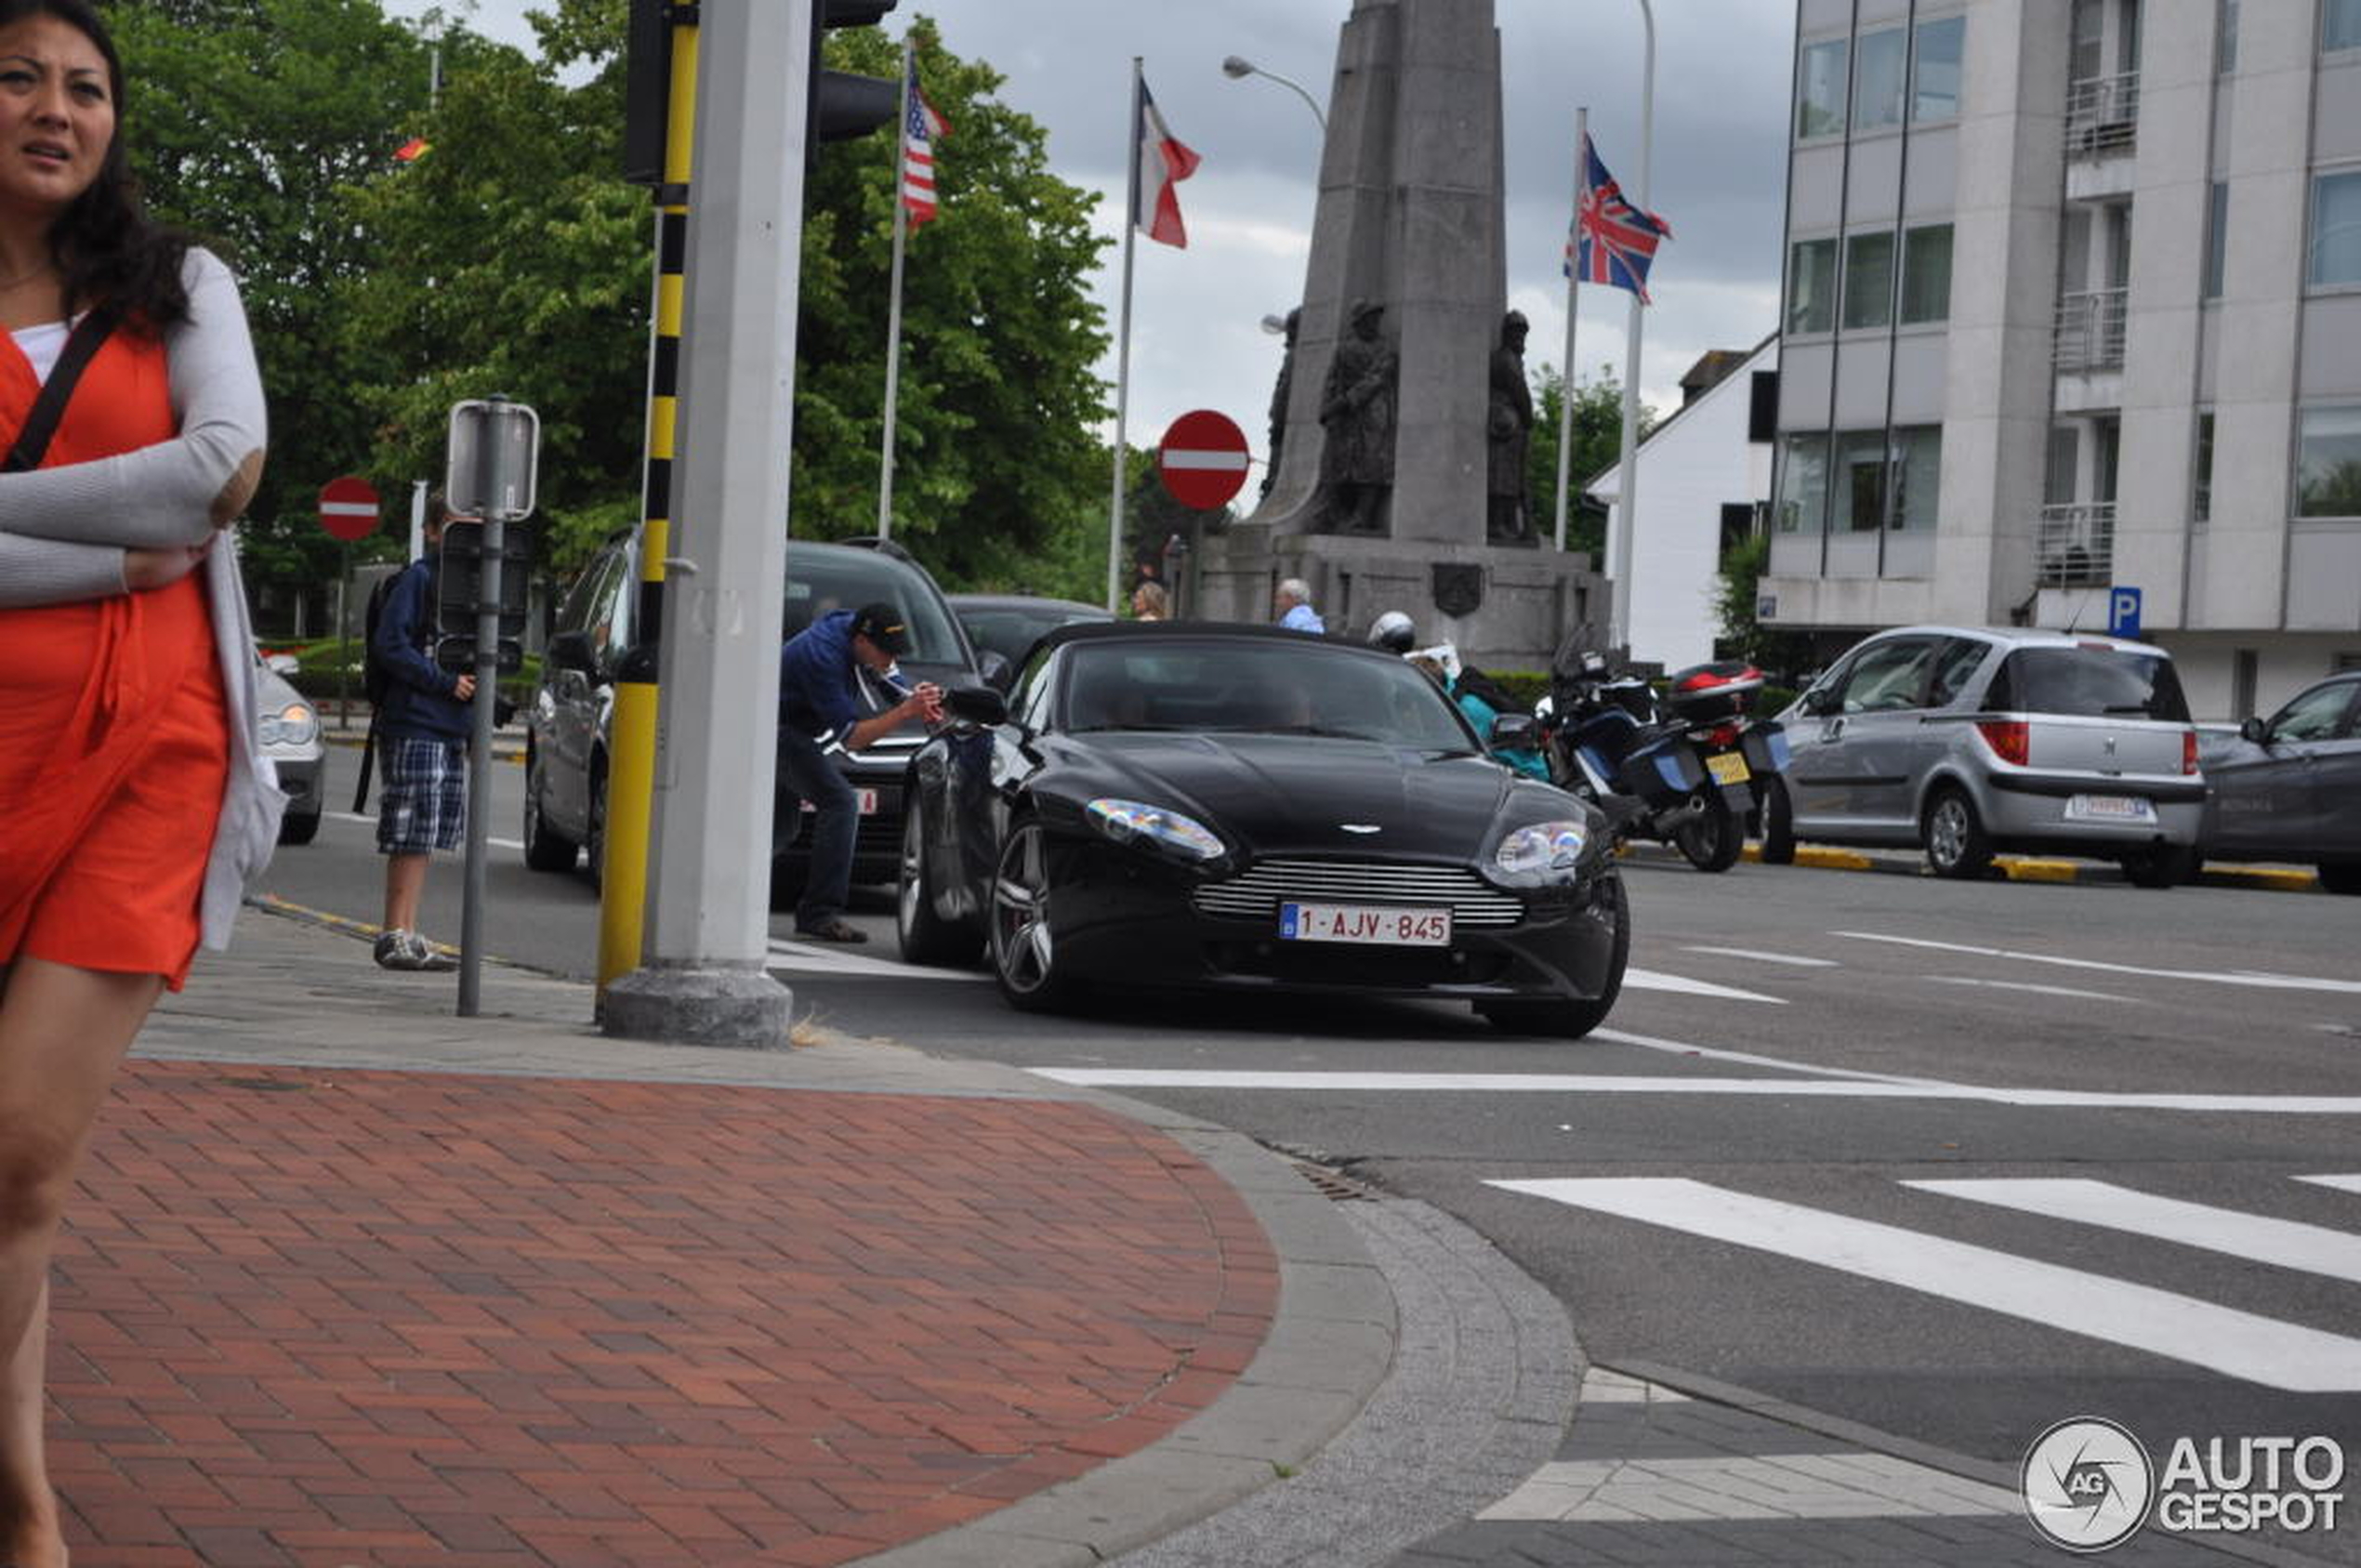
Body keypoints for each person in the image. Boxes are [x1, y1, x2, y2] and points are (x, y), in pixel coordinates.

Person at [0, 5, 270, 1561]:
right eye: (22, 77)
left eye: (87, 87)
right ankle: (21, 1497)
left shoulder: (180, 287)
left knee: (20, 1151)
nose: (57, 106)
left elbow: (217, 473)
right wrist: (106, 554)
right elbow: (157, 518)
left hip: (145, 751)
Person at [777, 601, 943, 943]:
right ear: (864, 643)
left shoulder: (858, 633)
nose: (889, 660)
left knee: (780, 829)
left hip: (792, 729)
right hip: (775, 730)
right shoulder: (821, 656)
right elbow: (852, 739)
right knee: (841, 803)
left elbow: (890, 680)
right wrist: (905, 712)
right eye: (885, 652)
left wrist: (917, 697)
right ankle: (819, 914)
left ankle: (718, 891)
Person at [369, 495, 476, 971]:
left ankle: (408, 930)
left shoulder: (470, 586)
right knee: (411, 827)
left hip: (450, 725)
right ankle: (395, 931)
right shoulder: (420, 579)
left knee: (428, 829)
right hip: (417, 720)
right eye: (455, 528)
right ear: (432, 531)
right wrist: (444, 682)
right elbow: (390, 645)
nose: (466, 539)